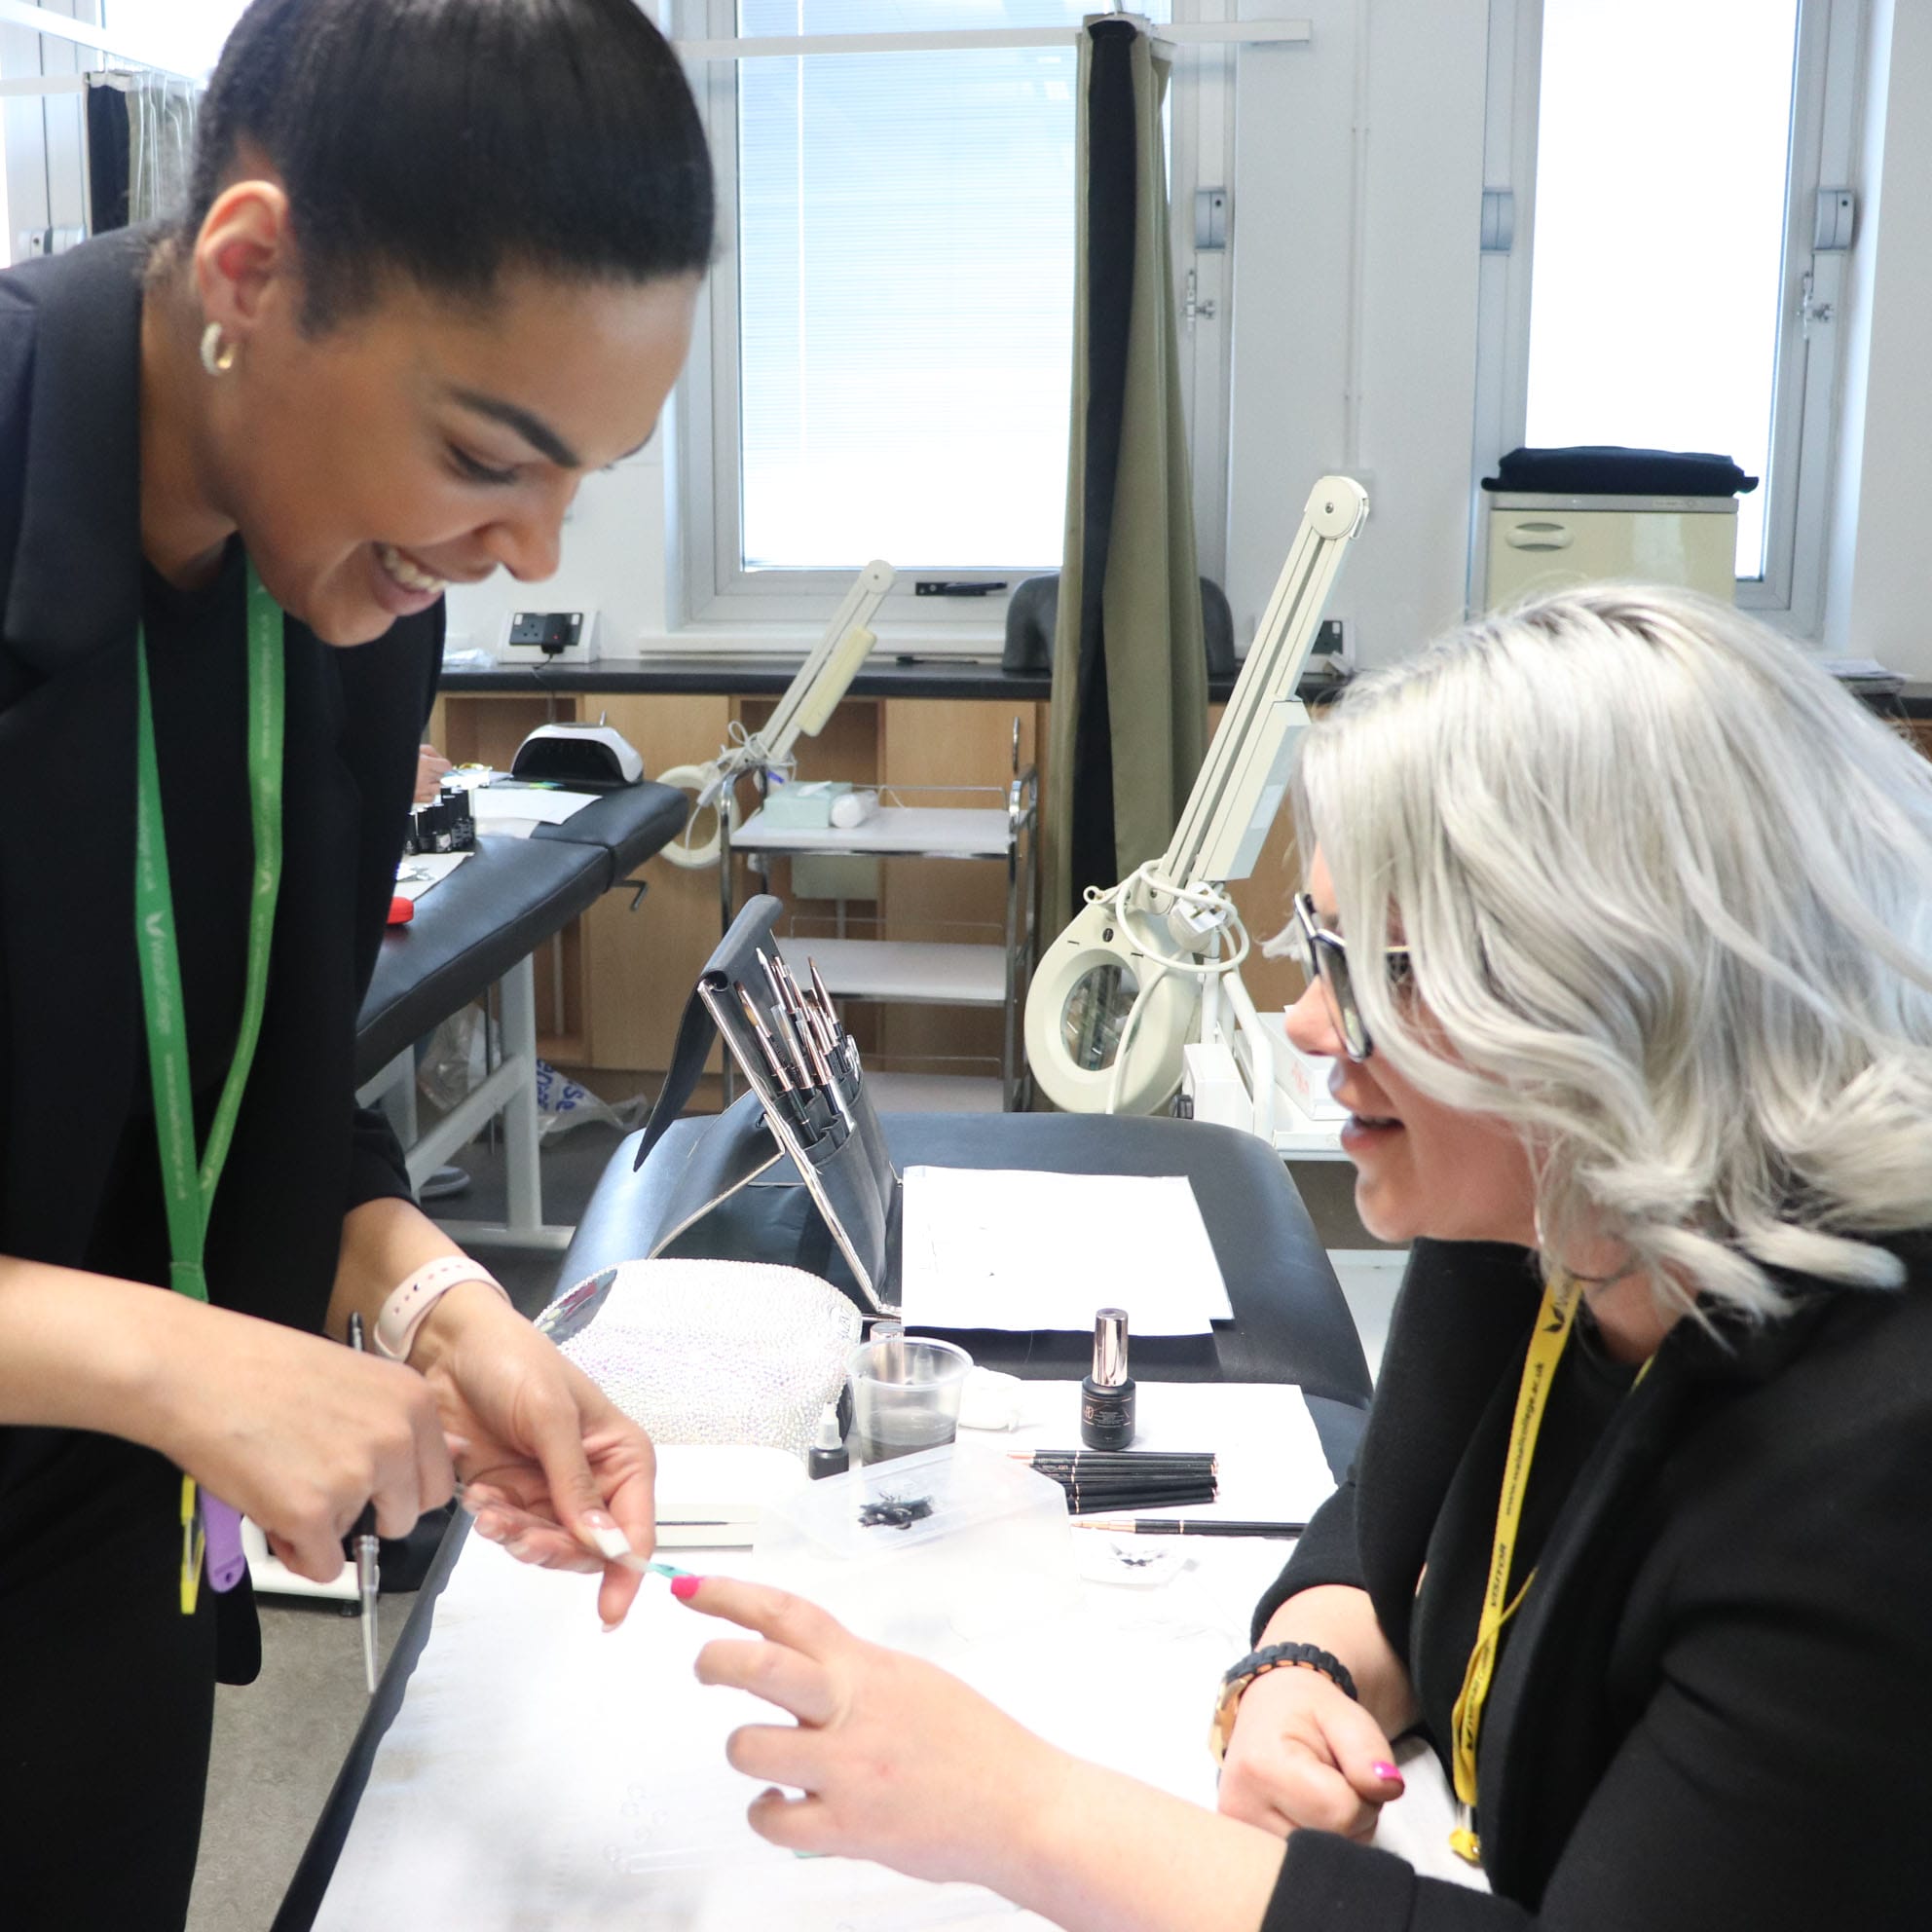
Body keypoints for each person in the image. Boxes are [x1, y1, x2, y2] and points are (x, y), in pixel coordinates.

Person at [673, 584, 1932, 1929]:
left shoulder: (1877, 1466)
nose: (1309, 1021)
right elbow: (1384, 1540)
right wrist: (1299, 1670)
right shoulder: (1550, 1204)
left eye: (1361, 966)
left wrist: (1021, 1814)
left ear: (1610, 991)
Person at [0, 1, 711, 1922]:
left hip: (96, 1563)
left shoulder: (343, 586)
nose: (522, 547)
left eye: (584, 480)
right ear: (249, 269)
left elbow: (234, 1089)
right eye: (489, 453)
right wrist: (171, 1353)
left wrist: (436, 1302)